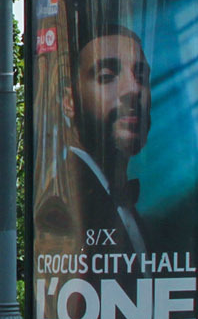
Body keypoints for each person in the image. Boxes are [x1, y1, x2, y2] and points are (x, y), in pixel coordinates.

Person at [59, 16, 152, 257]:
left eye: (141, 77)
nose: (133, 89)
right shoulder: (64, 198)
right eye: (107, 76)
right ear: (69, 101)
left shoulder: (122, 202)